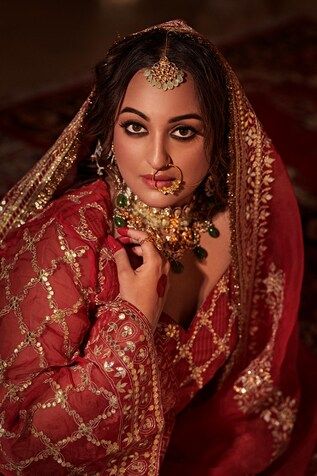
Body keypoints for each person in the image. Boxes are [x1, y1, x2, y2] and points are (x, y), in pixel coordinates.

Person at [0, 19, 316, 476]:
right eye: (135, 127)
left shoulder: (240, 223)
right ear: (109, 132)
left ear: (220, 136)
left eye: (184, 131)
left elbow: (253, 373)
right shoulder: (67, 241)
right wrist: (132, 321)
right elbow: (17, 442)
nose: (157, 159)